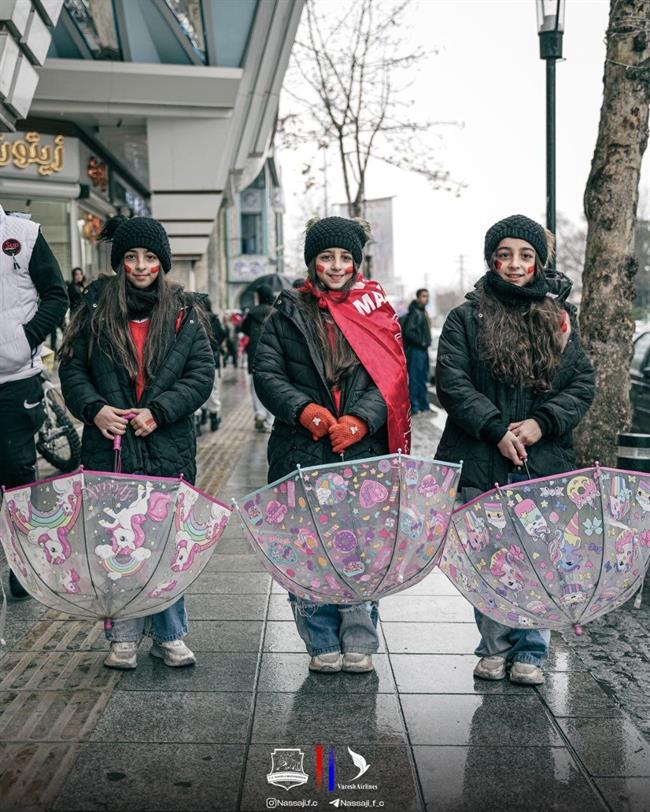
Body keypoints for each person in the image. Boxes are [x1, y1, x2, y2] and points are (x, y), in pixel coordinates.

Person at [435, 214, 595, 685]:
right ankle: (493, 645)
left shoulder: (560, 318)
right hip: (482, 458)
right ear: (491, 259)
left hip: (543, 461)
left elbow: (580, 383)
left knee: (540, 558)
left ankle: (532, 649)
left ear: (539, 262)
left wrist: (540, 424)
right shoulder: (466, 317)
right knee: (490, 557)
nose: (514, 263)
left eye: (525, 255)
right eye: (504, 254)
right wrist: (495, 428)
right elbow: (452, 382)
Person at [254, 216, 410, 674]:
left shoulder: (376, 312)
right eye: (327, 257)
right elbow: (268, 375)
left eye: (345, 257)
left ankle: (359, 636)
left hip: (360, 452)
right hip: (300, 449)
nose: (336, 266)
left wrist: (361, 421)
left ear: (357, 263)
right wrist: (306, 411)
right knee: (308, 547)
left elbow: (393, 379)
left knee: (358, 546)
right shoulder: (286, 313)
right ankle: (320, 639)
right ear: (312, 262)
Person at [59, 215, 215, 670]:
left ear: (162, 262)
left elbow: (200, 375)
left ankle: (169, 634)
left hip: (167, 445)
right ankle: (123, 637)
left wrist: (160, 411)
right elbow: (72, 370)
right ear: (119, 261)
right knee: (116, 542)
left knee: (165, 542)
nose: (141, 265)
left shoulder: (185, 312)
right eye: (131, 257)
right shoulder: (94, 308)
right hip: (111, 447)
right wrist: (94, 409)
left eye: (149, 257)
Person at [0, 204, 69, 598]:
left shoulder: (23, 235)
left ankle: (23, 565)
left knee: (16, 470)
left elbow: (56, 296)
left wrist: (26, 339)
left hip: (15, 378)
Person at [241, 284, 275, 432]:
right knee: (273, 386)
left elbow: (243, 330)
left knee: (255, 385)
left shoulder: (252, 313)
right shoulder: (275, 313)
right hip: (273, 354)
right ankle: (270, 421)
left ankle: (259, 412)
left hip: (255, 353)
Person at [402, 288, 432, 415]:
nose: (427, 298)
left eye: (427, 296)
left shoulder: (422, 312)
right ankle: (415, 407)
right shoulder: (415, 313)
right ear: (418, 297)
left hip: (422, 351)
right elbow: (408, 331)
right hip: (416, 351)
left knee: (423, 378)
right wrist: (422, 342)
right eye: (424, 296)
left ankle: (423, 406)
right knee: (415, 379)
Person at [198, 297, 226, 433]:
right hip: (212, 358)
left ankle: (199, 418)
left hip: (196, 359)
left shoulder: (195, 318)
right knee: (213, 388)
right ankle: (214, 417)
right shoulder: (214, 319)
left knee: (196, 387)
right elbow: (222, 335)